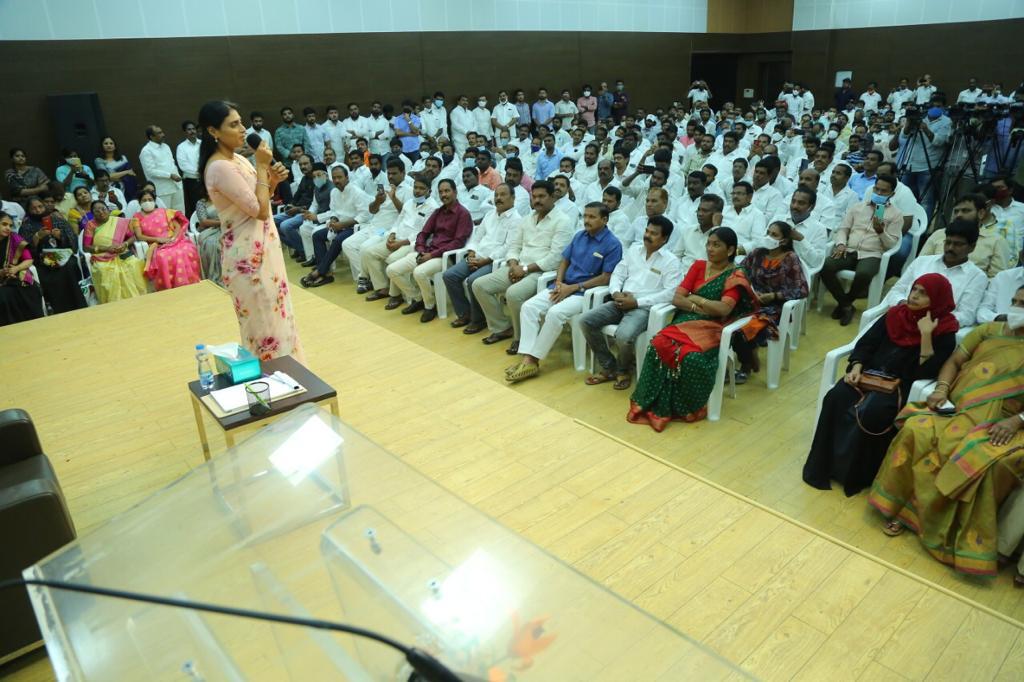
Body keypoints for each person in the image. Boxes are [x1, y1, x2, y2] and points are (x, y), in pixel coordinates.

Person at [866, 288, 1024, 576]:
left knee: (980, 459)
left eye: (1022, 305)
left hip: (1007, 421)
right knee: (917, 429)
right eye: (1014, 301)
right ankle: (903, 510)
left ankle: (950, 537)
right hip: (960, 406)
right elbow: (953, 362)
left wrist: (1017, 422)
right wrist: (941, 389)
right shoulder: (989, 331)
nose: (1015, 308)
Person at [805, 274, 959, 496]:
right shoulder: (896, 315)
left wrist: (926, 335)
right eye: (914, 289)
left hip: (900, 386)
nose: (914, 295)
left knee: (873, 413)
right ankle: (823, 467)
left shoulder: (945, 330)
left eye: (923, 293)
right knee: (836, 397)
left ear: (938, 298)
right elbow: (866, 343)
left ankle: (854, 476)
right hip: (868, 375)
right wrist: (856, 367)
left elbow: (925, 372)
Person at [199, 100, 303, 361]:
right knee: (263, 328)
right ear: (213, 132)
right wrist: (260, 166)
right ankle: (273, 390)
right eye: (234, 125)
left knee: (279, 319)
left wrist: (273, 179)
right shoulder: (220, 167)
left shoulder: (237, 159)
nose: (243, 129)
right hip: (248, 257)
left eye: (241, 122)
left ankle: (292, 382)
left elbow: (261, 198)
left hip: (264, 248)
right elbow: (260, 210)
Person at [627, 227, 757, 431]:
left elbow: (723, 309)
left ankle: (684, 408)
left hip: (713, 327)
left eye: (716, 245)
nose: (710, 249)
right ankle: (652, 402)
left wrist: (695, 298)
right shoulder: (698, 266)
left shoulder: (735, 275)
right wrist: (700, 305)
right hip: (685, 320)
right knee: (658, 345)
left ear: (730, 250)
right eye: (708, 244)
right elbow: (677, 297)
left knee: (691, 358)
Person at [505, 202, 622, 384]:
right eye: (585, 216)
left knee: (554, 313)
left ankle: (533, 360)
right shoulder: (579, 236)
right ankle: (527, 357)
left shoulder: (613, 244)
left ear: (605, 219)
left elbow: (606, 278)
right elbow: (564, 262)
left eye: (592, 217)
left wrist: (574, 288)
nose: (586, 220)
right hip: (562, 286)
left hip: (585, 294)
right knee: (529, 307)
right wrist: (559, 282)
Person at [581, 214, 682, 391]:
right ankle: (609, 366)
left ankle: (623, 369)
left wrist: (637, 302)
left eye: (654, 233)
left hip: (643, 308)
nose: (647, 235)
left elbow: (670, 293)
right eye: (647, 231)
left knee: (624, 336)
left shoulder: (671, 261)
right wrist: (615, 293)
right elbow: (618, 273)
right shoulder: (634, 250)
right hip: (620, 301)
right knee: (585, 321)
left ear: (665, 239)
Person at [472, 180, 573, 353]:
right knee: (479, 285)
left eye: (542, 196)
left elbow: (555, 259)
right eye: (534, 197)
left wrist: (525, 269)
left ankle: (520, 338)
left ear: (552, 197)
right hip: (517, 267)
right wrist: (513, 265)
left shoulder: (563, 221)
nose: (537, 200)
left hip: (540, 272)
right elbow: (514, 247)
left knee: (513, 294)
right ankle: (502, 327)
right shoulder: (527, 219)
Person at [820, 173, 904, 325]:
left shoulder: (896, 215)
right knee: (826, 266)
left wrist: (880, 231)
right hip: (849, 249)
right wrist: (840, 243)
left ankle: (844, 303)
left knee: (864, 274)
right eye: (876, 189)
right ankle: (846, 305)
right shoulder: (858, 207)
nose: (878, 194)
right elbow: (843, 229)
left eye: (883, 191)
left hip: (872, 253)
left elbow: (892, 244)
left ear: (892, 194)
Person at [731, 222, 809, 383]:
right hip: (752, 301)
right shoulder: (757, 253)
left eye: (774, 235)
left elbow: (802, 289)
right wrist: (750, 289)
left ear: (784, 241)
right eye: (768, 232)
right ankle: (744, 356)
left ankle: (746, 365)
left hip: (776, 308)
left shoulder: (790, 259)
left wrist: (774, 296)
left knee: (743, 330)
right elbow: (739, 271)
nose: (768, 237)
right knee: (724, 322)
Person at [386, 178, 471, 322]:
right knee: (392, 270)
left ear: (455, 192)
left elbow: (458, 243)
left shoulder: (463, 214)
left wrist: (431, 255)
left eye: (447, 191)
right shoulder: (438, 212)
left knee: (419, 272)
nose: (444, 194)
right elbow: (423, 233)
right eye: (441, 192)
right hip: (427, 253)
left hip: (444, 258)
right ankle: (419, 298)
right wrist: (420, 249)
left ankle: (430, 306)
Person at [879, 218, 987, 328]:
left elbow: (966, 315)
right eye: (948, 242)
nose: (950, 248)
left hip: (934, 329)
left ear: (972, 247)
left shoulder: (977, 277)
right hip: (902, 316)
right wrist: (903, 303)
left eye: (958, 244)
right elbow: (896, 291)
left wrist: (930, 320)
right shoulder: (921, 262)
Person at [442, 182, 517, 333]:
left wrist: (485, 260)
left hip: (493, 261)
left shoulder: (516, 220)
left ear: (513, 198)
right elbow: (476, 237)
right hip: (477, 256)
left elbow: (508, 247)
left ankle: (479, 319)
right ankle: (465, 313)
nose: (498, 198)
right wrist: (471, 253)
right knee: (449, 275)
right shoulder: (490, 215)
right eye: (496, 195)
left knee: (473, 281)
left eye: (503, 195)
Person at [300, 164, 372, 288]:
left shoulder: (356, 192)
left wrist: (342, 224)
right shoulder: (334, 192)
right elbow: (334, 211)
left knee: (339, 239)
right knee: (317, 235)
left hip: (356, 226)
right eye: (334, 178)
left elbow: (364, 216)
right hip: (339, 224)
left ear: (347, 178)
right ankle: (326, 273)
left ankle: (319, 271)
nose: (337, 180)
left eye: (340, 177)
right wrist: (333, 219)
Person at [18, 196, 87, 314]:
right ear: (28, 211)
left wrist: (60, 237)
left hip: (63, 256)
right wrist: (37, 238)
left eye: (40, 206)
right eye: (34, 208)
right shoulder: (26, 227)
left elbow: (73, 243)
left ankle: (78, 305)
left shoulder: (58, 220)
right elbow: (26, 252)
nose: (38, 210)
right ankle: (59, 309)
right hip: (41, 260)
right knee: (49, 273)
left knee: (69, 266)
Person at [919, 193, 1012, 278]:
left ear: (981, 213)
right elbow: (920, 265)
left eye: (966, 211)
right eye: (956, 211)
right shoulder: (939, 234)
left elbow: (997, 280)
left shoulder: (996, 241)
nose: (959, 215)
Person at [130, 188, 200, 291]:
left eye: (150, 199)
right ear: (139, 202)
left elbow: (177, 227)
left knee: (186, 250)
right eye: (144, 200)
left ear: (154, 201)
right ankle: (169, 287)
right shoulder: (136, 218)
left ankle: (190, 283)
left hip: (174, 241)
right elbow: (139, 236)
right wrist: (158, 239)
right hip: (156, 245)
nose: (147, 202)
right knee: (163, 257)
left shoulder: (165, 212)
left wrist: (174, 238)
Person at [79, 200, 147, 303]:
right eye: (97, 211)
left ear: (108, 210)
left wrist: (125, 244)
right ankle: (113, 303)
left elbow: (133, 237)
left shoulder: (118, 221)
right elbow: (86, 247)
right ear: (93, 214)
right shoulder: (91, 225)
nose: (101, 212)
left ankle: (137, 299)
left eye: (103, 209)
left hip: (121, 252)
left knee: (134, 264)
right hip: (102, 256)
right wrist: (106, 249)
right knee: (104, 271)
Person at [0, 211, 43, 325]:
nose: (8, 228)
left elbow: (29, 260)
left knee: (30, 290)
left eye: (10, 225)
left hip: (15, 276)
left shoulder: (14, 238)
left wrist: (16, 268)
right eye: (4, 224)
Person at [139, 124, 185, 212]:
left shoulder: (166, 146)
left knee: (180, 213)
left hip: (176, 186)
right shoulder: (146, 151)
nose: (163, 134)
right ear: (151, 136)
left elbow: (172, 164)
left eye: (162, 132)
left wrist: (176, 176)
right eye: (159, 133)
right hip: (162, 190)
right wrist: (170, 175)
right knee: (165, 216)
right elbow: (150, 171)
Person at [978, 248, 1024, 323]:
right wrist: (1000, 318)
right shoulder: (1003, 277)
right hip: (999, 330)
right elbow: (982, 312)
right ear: (1021, 255)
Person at [194, 196, 223, 284]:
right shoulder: (201, 203)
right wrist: (221, 222)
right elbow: (203, 221)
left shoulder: (225, 197)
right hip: (209, 230)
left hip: (226, 228)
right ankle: (215, 276)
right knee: (213, 245)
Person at [176, 121, 202, 215]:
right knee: (195, 205)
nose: (192, 131)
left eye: (193, 129)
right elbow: (183, 165)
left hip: (205, 179)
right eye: (189, 129)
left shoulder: (202, 144)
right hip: (192, 181)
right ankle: (197, 226)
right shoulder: (181, 147)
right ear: (185, 132)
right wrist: (199, 172)